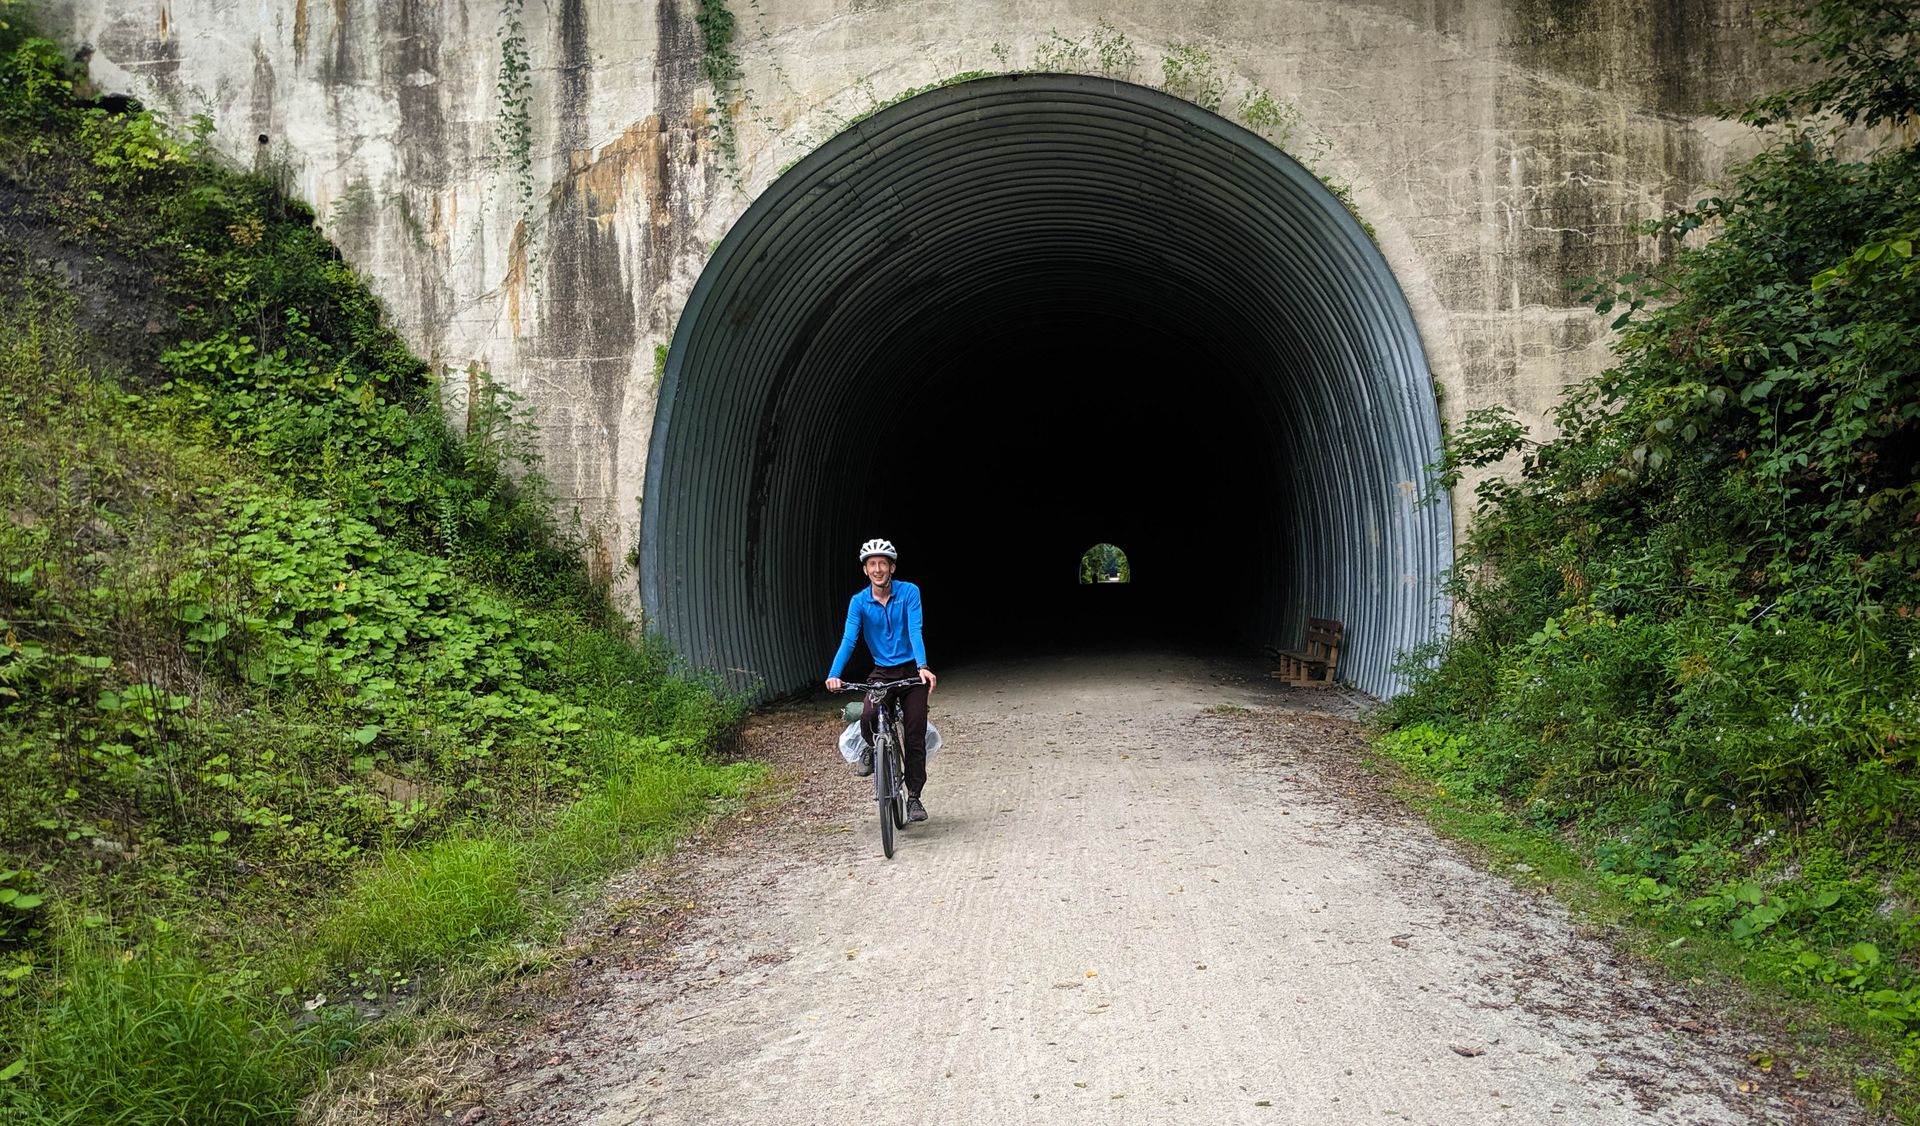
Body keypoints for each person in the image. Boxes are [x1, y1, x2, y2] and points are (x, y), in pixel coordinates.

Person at [825, 538, 937, 822]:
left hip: (911, 671)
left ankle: (913, 798)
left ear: (892, 567)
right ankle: (873, 750)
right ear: (865, 570)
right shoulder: (859, 602)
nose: (878, 569)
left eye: (883, 564)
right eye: (872, 564)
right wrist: (834, 674)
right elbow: (850, 639)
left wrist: (922, 666)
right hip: (882, 672)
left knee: (914, 734)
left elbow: (915, 630)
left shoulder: (909, 592)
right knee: (868, 715)